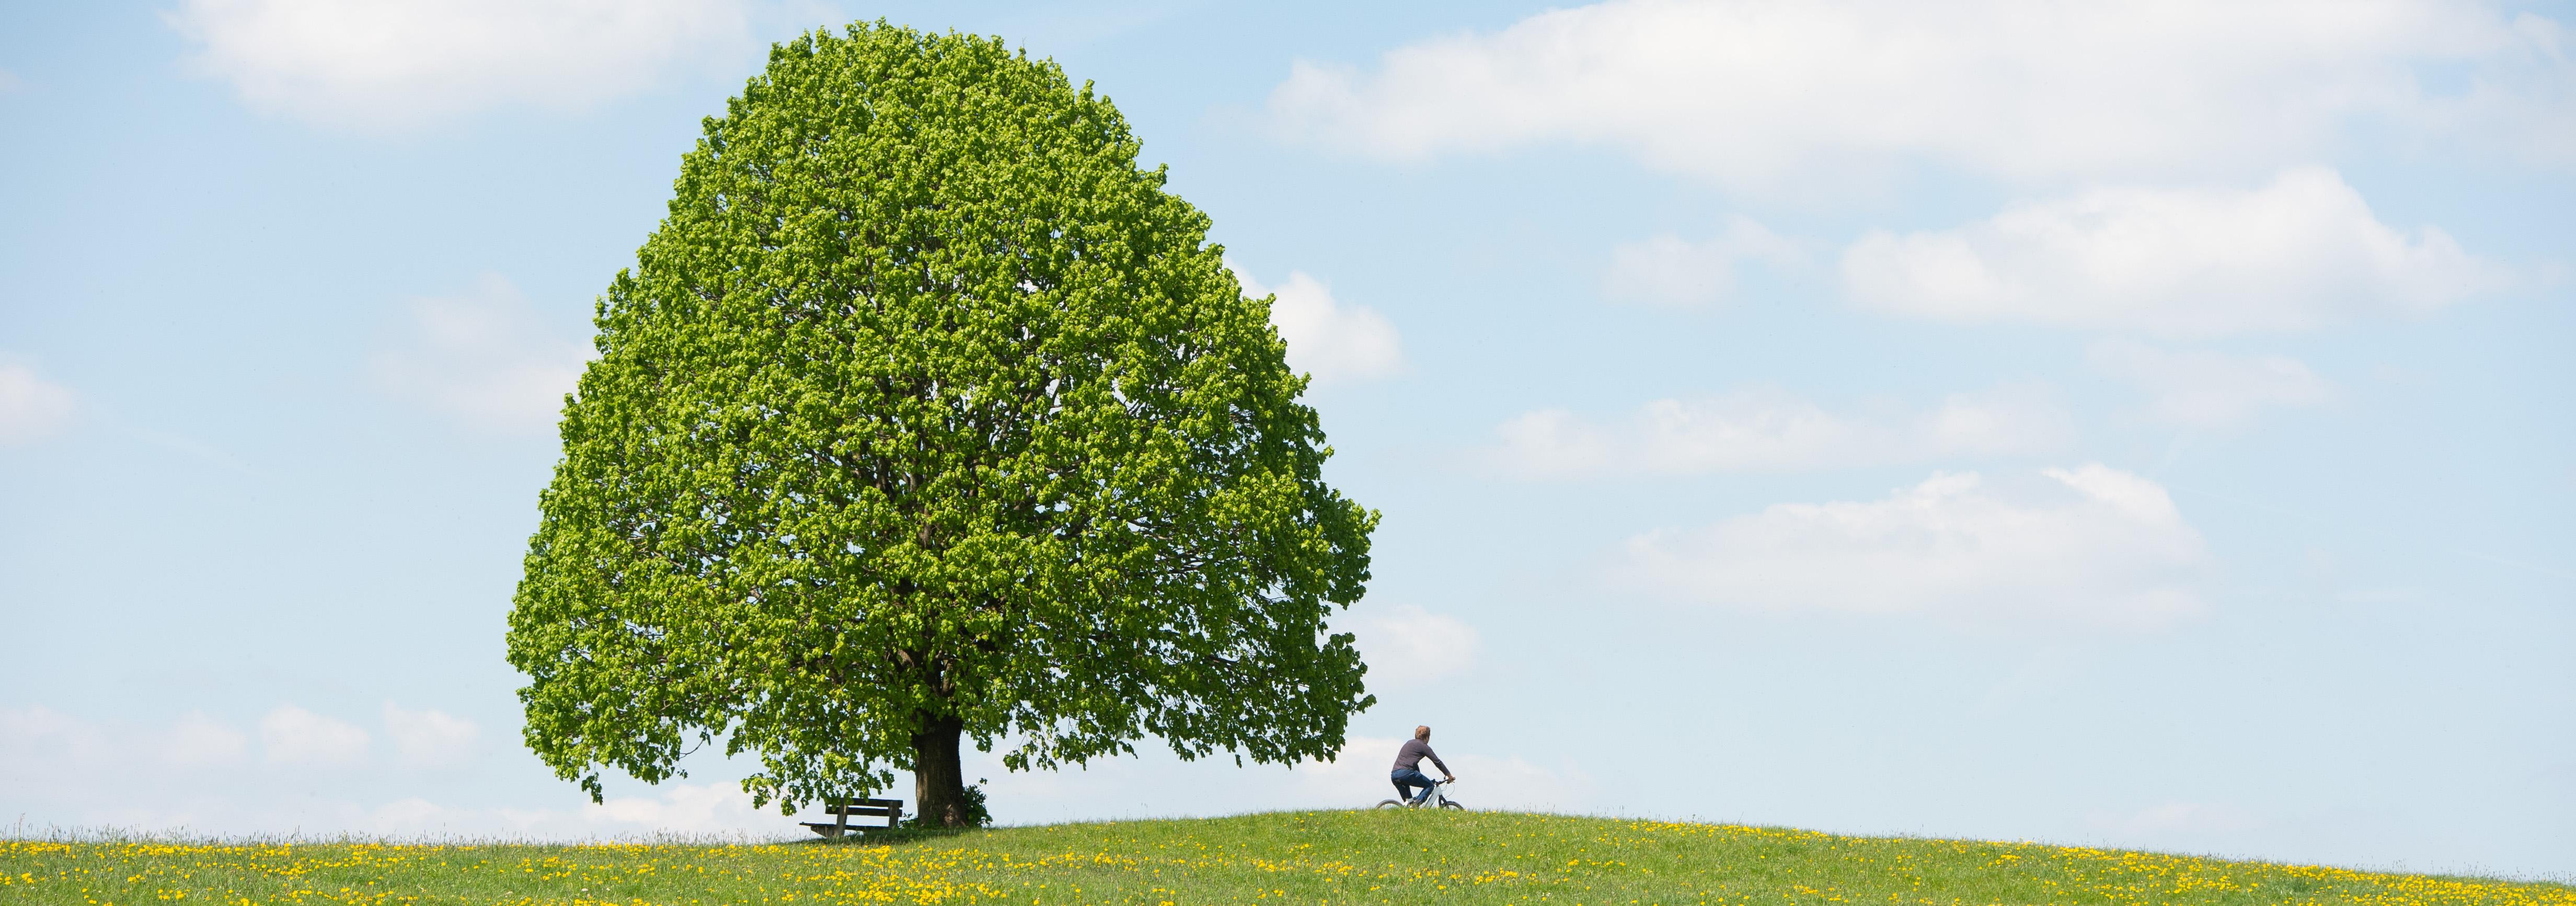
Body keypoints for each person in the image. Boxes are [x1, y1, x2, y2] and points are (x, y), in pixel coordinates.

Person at [1389, 725, 1456, 806]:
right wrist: (1449, 775)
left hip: (1395, 775)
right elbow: (1438, 762)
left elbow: (1412, 763)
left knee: (1409, 805)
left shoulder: (1409, 743)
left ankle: (1413, 808)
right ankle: (1417, 805)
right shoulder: (1424, 746)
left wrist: (1420, 777)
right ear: (1427, 737)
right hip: (1407, 773)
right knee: (1430, 786)